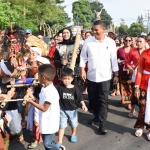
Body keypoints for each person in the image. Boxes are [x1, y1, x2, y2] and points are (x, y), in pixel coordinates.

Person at [80, 20, 119, 134]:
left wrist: (116, 74)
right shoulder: (88, 41)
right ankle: (96, 116)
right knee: (93, 99)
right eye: (93, 29)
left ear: (103, 29)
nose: (94, 31)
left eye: (96, 29)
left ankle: (103, 124)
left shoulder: (110, 42)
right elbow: (83, 57)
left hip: (105, 76)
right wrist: (82, 70)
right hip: (91, 76)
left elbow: (113, 60)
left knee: (103, 100)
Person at [26, 64, 65, 150]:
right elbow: (40, 102)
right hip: (44, 121)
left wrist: (31, 102)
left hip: (50, 123)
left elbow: (44, 108)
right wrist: (32, 97)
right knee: (47, 142)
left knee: (47, 144)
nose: (37, 77)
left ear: (43, 77)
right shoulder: (44, 88)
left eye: (38, 75)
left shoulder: (51, 92)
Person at [55, 68, 87, 147]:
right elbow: (50, 89)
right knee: (61, 125)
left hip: (73, 111)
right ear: (61, 78)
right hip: (62, 110)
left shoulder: (74, 88)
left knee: (73, 124)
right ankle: (59, 141)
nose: (66, 81)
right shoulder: (59, 87)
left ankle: (73, 134)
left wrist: (83, 105)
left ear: (72, 78)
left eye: (69, 79)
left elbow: (80, 98)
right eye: (65, 79)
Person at [126, 35, 146, 117]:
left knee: (144, 95)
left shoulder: (148, 52)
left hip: (145, 75)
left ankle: (143, 113)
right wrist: (130, 68)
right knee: (134, 93)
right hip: (135, 74)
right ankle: (132, 109)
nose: (138, 43)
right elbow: (127, 62)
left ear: (145, 43)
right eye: (137, 41)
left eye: (140, 41)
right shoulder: (132, 51)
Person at [134, 47, 150, 140]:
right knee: (142, 106)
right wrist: (137, 86)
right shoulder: (145, 53)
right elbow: (139, 70)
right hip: (144, 84)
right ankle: (140, 126)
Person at [117, 36, 133, 109]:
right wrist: (118, 61)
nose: (128, 42)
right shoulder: (120, 50)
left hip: (130, 71)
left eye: (129, 40)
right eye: (126, 40)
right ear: (124, 41)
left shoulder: (134, 50)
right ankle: (124, 98)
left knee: (129, 87)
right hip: (122, 70)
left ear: (132, 41)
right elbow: (116, 59)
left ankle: (129, 102)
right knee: (122, 86)